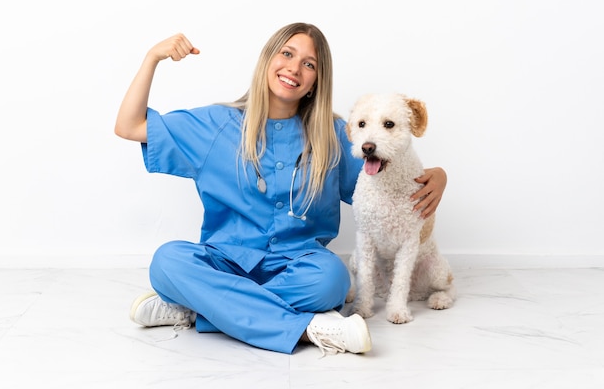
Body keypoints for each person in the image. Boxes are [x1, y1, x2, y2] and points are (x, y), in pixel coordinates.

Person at [114, 22, 447, 355]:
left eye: (309, 64)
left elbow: (384, 176)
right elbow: (129, 126)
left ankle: (198, 306)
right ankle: (308, 329)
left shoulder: (335, 136)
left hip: (299, 268)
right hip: (224, 262)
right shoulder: (216, 124)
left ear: (317, 80)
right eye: (287, 53)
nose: (294, 68)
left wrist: (439, 175)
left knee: (331, 280)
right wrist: (152, 57)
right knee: (167, 261)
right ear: (267, 60)